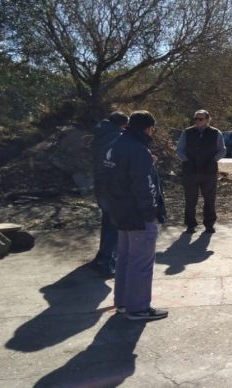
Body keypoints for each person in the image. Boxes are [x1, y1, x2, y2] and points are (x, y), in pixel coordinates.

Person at [102, 110, 168, 321]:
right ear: (148, 128)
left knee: (125, 258)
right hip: (139, 214)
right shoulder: (138, 150)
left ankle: (122, 303)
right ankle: (138, 308)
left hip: (120, 211)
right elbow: (144, 186)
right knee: (141, 262)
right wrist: (152, 211)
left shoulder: (115, 144)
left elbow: (118, 176)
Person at [175, 109, 226, 234]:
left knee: (209, 199)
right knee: (190, 199)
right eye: (196, 119)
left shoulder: (216, 133)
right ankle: (190, 225)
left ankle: (209, 224)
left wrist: (213, 160)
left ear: (208, 120)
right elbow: (179, 150)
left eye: (200, 119)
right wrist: (186, 160)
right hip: (190, 171)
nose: (197, 121)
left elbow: (222, 150)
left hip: (209, 172)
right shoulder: (187, 132)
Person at [91, 111, 128, 277]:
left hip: (100, 183)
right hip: (114, 186)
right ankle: (107, 261)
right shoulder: (117, 138)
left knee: (107, 221)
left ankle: (101, 256)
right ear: (123, 124)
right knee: (115, 224)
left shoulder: (99, 135)